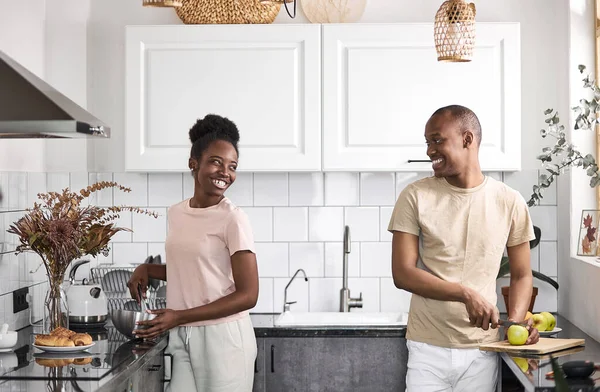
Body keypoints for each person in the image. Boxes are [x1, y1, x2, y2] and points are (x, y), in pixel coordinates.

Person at [388, 105, 540, 392]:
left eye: (436, 140)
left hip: (482, 350)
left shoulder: (509, 201)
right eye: (427, 143)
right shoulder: (415, 196)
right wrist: (465, 293)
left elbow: (521, 275)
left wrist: (516, 325)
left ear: (467, 139)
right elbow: (403, 273)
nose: (429, 151)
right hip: (426, 348)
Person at [127, 114, 259, 392]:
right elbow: (194, 270)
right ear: (193, 163)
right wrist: (147, 270)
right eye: (216, 161)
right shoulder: (177, 213)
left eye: (232, 166)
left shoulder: (233, 219)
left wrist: (179, 316)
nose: (226, 172)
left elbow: (249, 295)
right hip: (182, 335)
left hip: (224, 340)